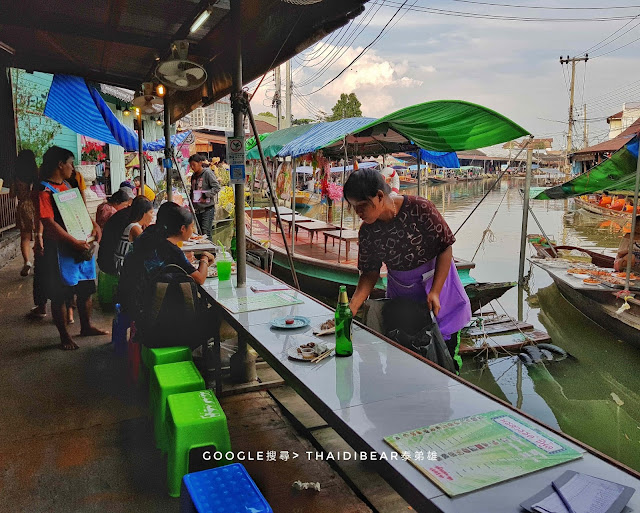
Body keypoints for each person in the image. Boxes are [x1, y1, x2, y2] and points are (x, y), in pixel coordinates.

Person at [344, 169, 471, 370]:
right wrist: (352, 307)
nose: (358, 212)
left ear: (379, 196)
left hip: (437, 288)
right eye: (353, 207)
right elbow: (369, 272)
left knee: (443, 358)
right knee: (403, 359)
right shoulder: (368, 231)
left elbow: (445, 247)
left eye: (361, 206)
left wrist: (436, 291)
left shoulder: (420, 208)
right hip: (401, 294)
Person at [36, 146, 106, 350]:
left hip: (80, 245)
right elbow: (49, 223)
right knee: (61, 294)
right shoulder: (43, 190)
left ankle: (86, 326)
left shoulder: (67, 184)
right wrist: (72, 242)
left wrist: (94, 225)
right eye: (71, 164)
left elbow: (80, 210)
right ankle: (65, 336)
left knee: (86, 288)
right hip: (59, 249)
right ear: (60, 165)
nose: (72, 168)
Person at [10, 150, 39, 276]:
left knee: (25, 237)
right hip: (35, 206)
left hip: (22, 207)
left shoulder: (16, 177)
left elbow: (11, 194)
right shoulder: (36, 175)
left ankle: (27, 261)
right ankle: (39, 262)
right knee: (39, 234)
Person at [114, 197, 154, 274]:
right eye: (151, 213)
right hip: (122, 267)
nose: (152, 216)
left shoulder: (135, 225)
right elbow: (149, 245)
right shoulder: (135, 228)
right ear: (144, 214)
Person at [189, 154, 221, 240]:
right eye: (191, 165)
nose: (192, 167)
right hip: (197, 209)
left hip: (207, 209)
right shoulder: (193, 176)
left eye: (194, 165)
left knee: (206, 232)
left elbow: (216, 187)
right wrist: (190, 204)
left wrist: (206, 194)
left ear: (200, 163)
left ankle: (210, 253)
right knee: (200, 233)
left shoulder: (207, 173)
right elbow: (192, 191)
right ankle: (202, 252)